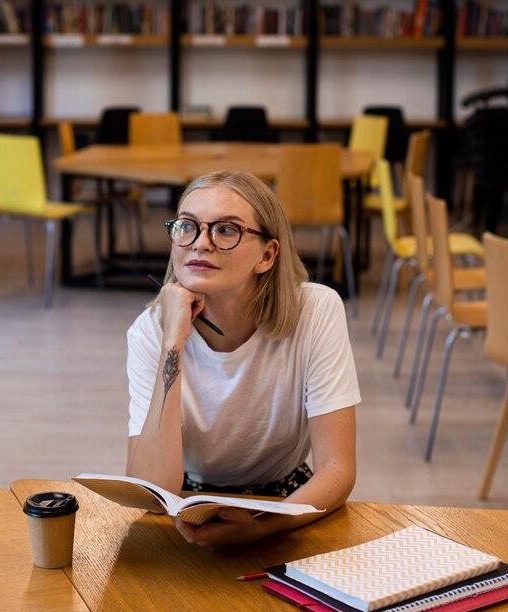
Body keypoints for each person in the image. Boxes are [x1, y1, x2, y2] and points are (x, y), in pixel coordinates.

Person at [126, 170, 360, 546]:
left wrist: (260, 527)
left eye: (226, 230)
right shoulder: (149, 331)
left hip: (287, 505)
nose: (200, 243)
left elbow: (337, 470)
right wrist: (173, 341)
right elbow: (153, 493)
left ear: (267, 255)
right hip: (188, 508)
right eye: (187, 226)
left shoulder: (316, 310)